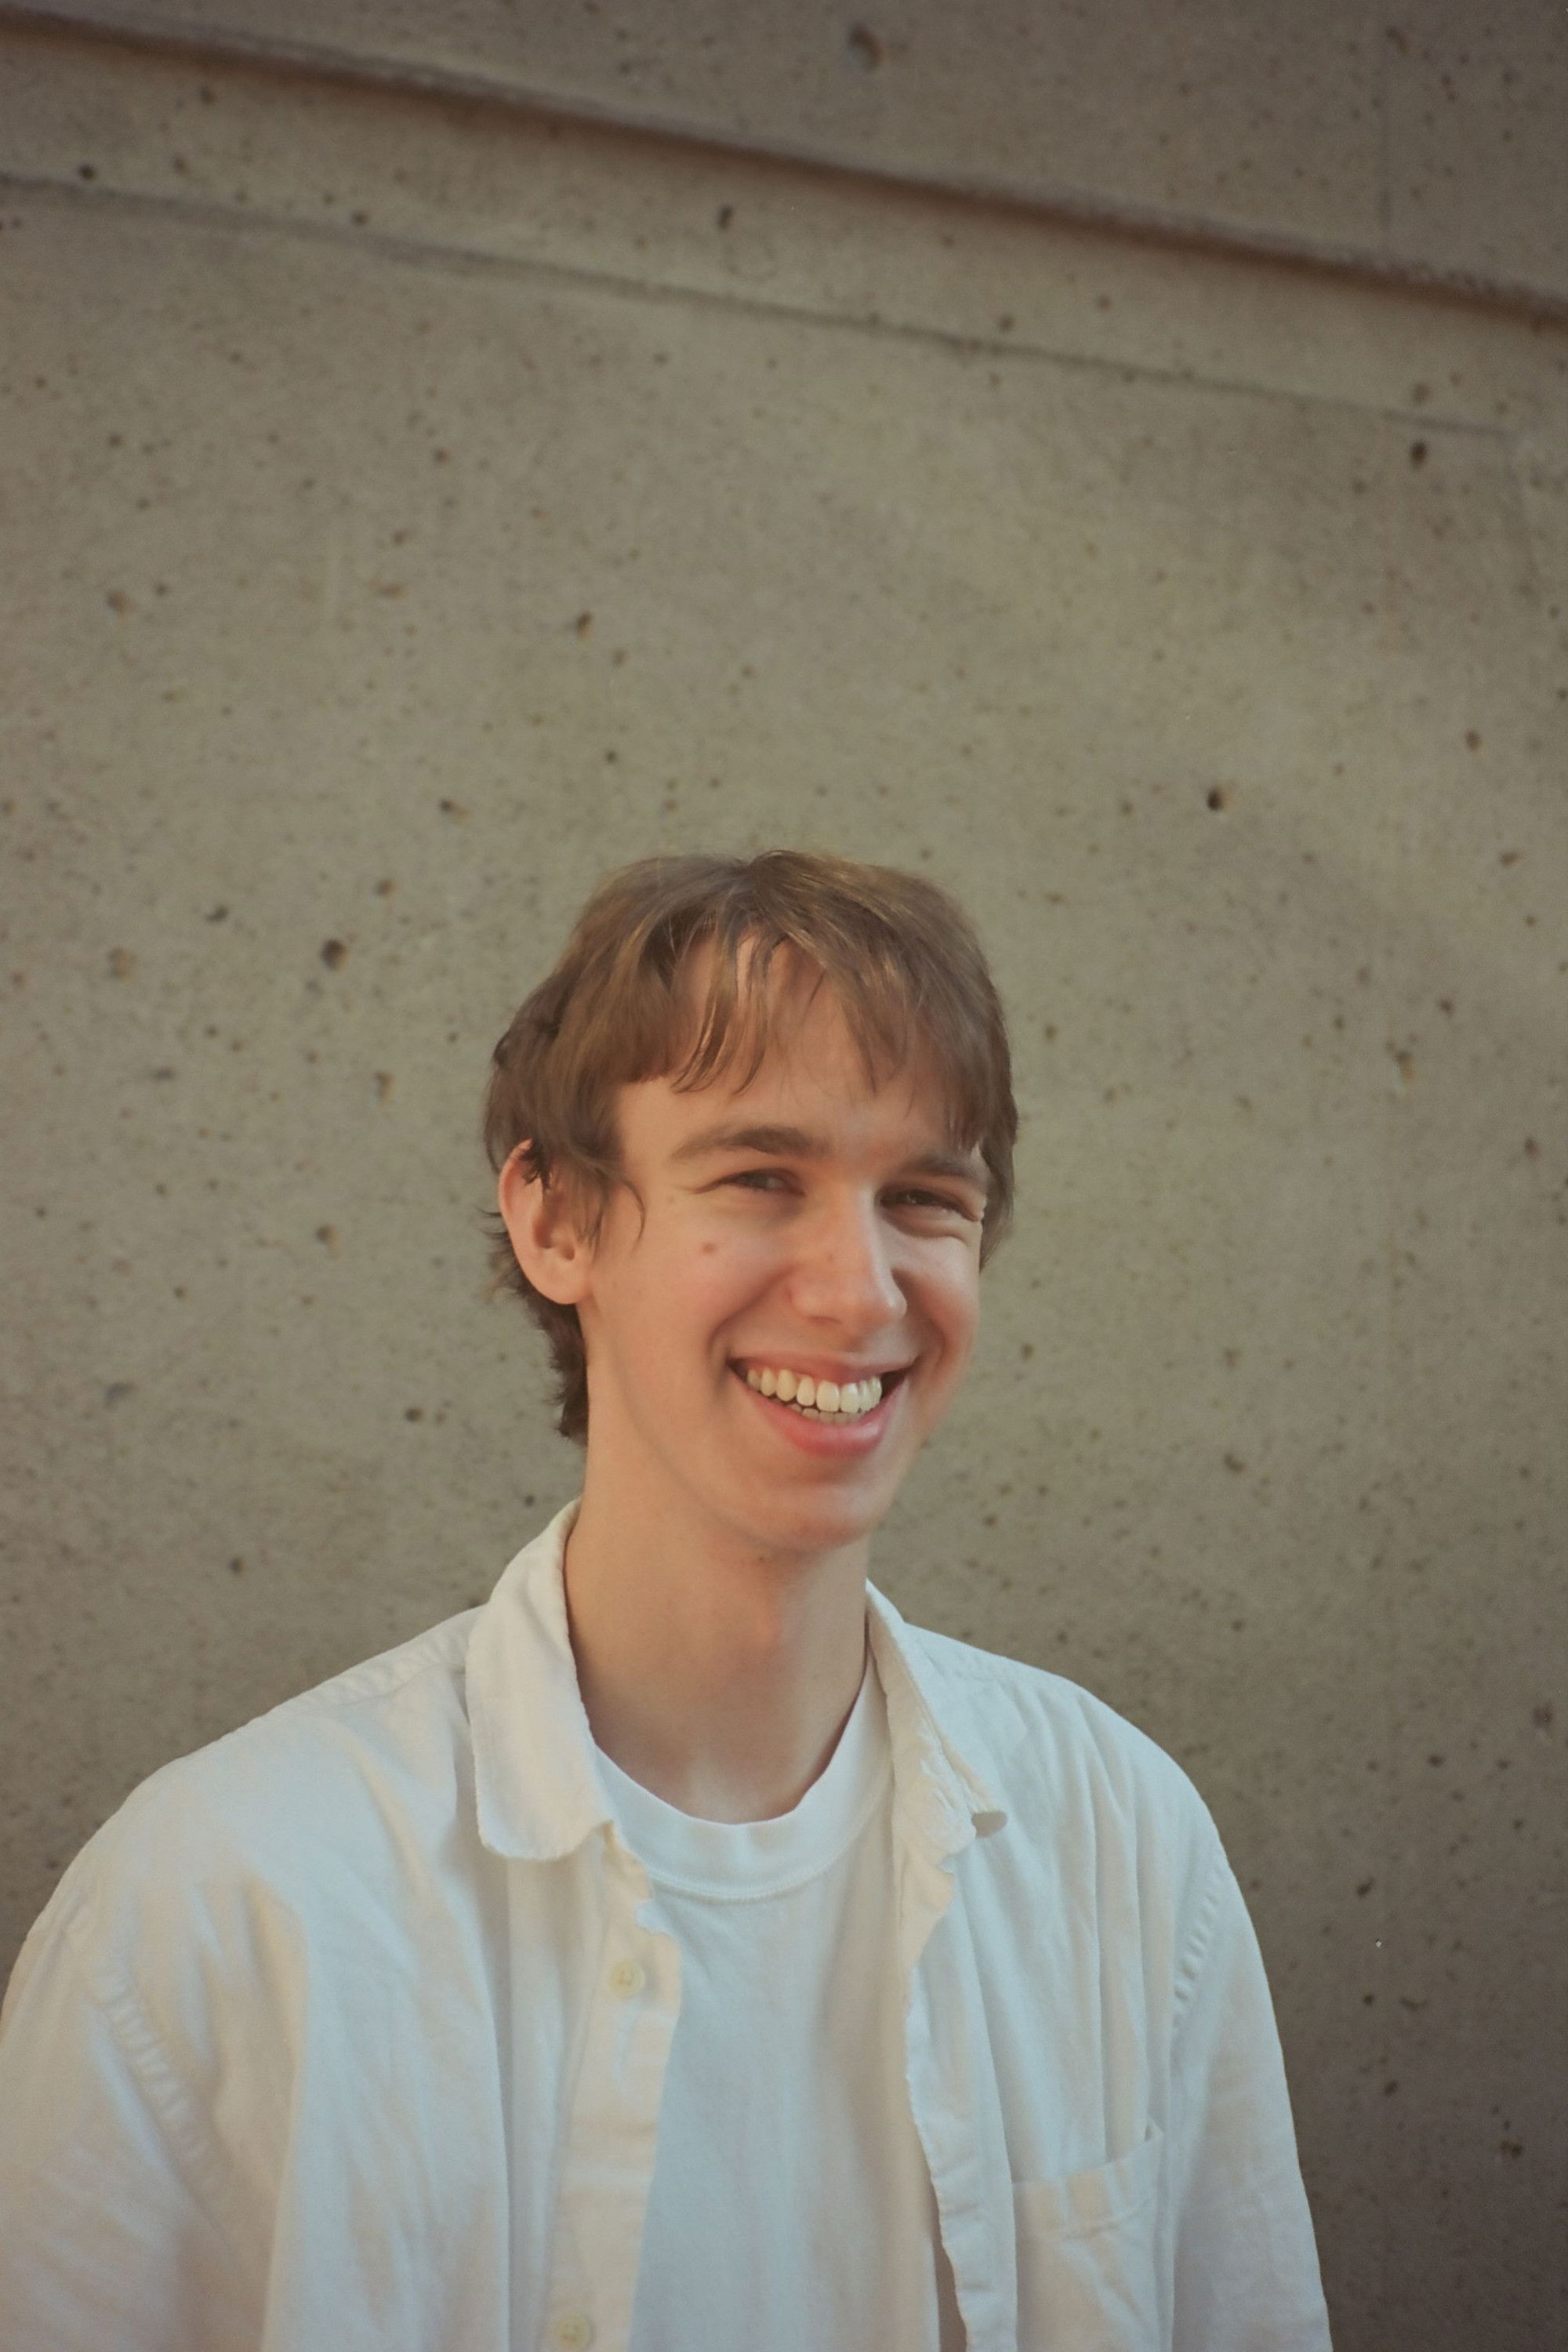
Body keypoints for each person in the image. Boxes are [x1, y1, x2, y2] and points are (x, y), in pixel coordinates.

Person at [0, 850, 1332, 2351]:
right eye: (762, 1179)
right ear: (555, 1219)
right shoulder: (223, 1910)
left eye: (923, 1198)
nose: (861, 1290)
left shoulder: (1122, 1846)